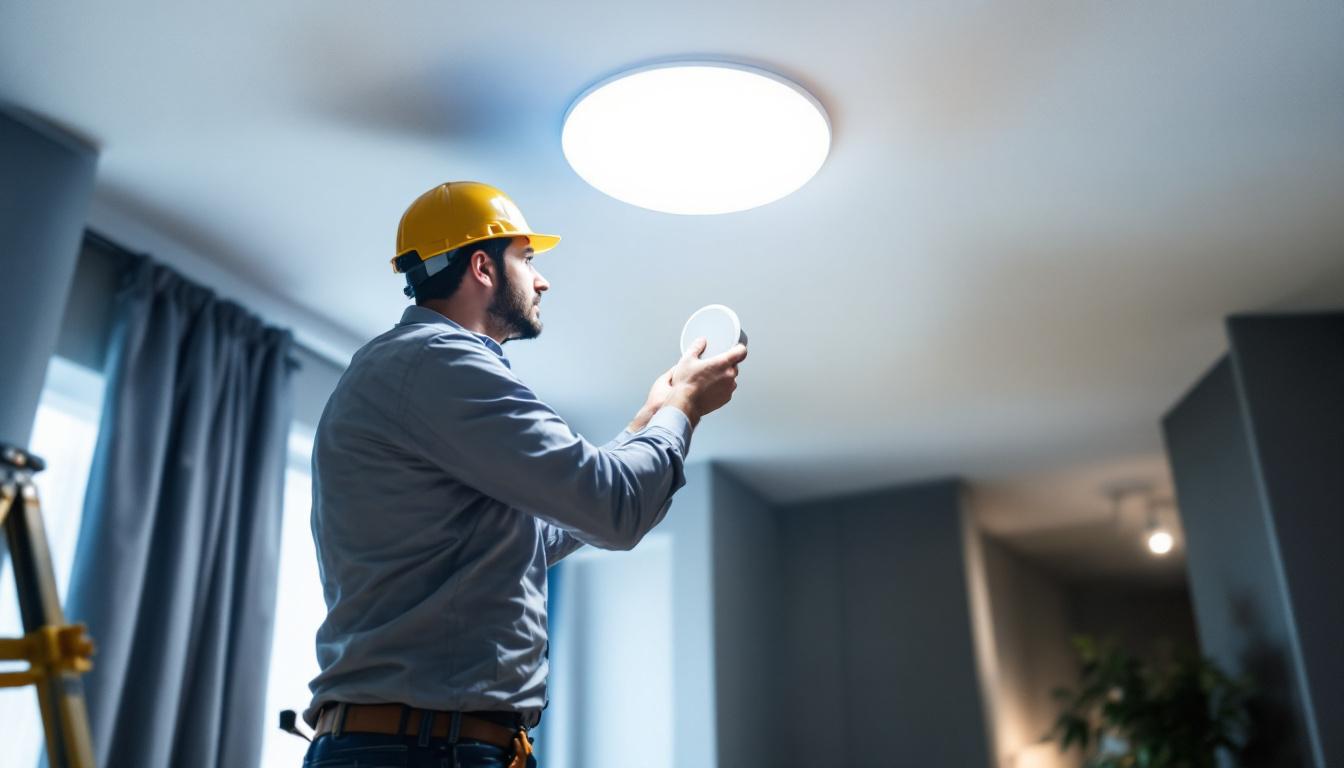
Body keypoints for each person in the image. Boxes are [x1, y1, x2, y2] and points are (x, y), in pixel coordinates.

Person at [300, 181, 747, 768]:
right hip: (425, 751)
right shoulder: (441, 361)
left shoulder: (413, 371)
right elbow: (616, 511)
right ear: (483, 266)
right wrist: (683, 409)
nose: (542, 280)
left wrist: (646, 422)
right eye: (527, 259)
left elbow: (537, 533)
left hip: (416, 743)